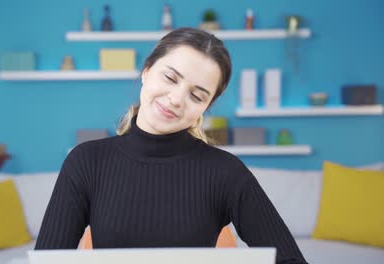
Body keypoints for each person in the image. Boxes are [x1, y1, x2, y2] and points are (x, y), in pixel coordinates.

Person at [35, 27, 308, 264]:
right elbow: (48, 260)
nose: (177, 99)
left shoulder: (226, 172)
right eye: (170, 78)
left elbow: (290, 260)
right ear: (146, 71)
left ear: (205, 107)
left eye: (196, 95)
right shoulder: (87, 162)